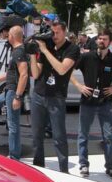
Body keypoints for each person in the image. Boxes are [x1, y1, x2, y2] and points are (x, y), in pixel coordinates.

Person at [71, 29, 112, 178]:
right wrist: (79, 86)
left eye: (105, 39)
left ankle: (110, 167)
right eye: (100, 38)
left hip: (105, 102)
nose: (101, 41)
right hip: (87, 101)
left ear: (110, 41)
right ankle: (83, 164)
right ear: (96, 40)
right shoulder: (87, 57)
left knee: (108, 136)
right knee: (83, 134)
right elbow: (69, 70)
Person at [30, 20, 80, 173]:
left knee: (59, 136)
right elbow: (36, 74)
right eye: (53, 33)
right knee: (37, 135)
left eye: (58, 33)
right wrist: (32, 54)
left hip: (56, 97)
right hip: (39, 94)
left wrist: (45, 51)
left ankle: (64, 170)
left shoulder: (72, 49)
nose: (55, 36)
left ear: (65, 32)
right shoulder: (48, 45)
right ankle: (38, 166)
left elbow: (62, 69)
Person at [0, 25, 29, 159]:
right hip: (9, 90)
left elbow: (24, 75)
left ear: (12, 36)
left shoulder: (19, 52)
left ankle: (14, 156)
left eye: (8, 35)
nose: (7, 37)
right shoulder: (16, 51)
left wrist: (18, 97)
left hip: (14, 91)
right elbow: (10, 73)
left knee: (13, 124)